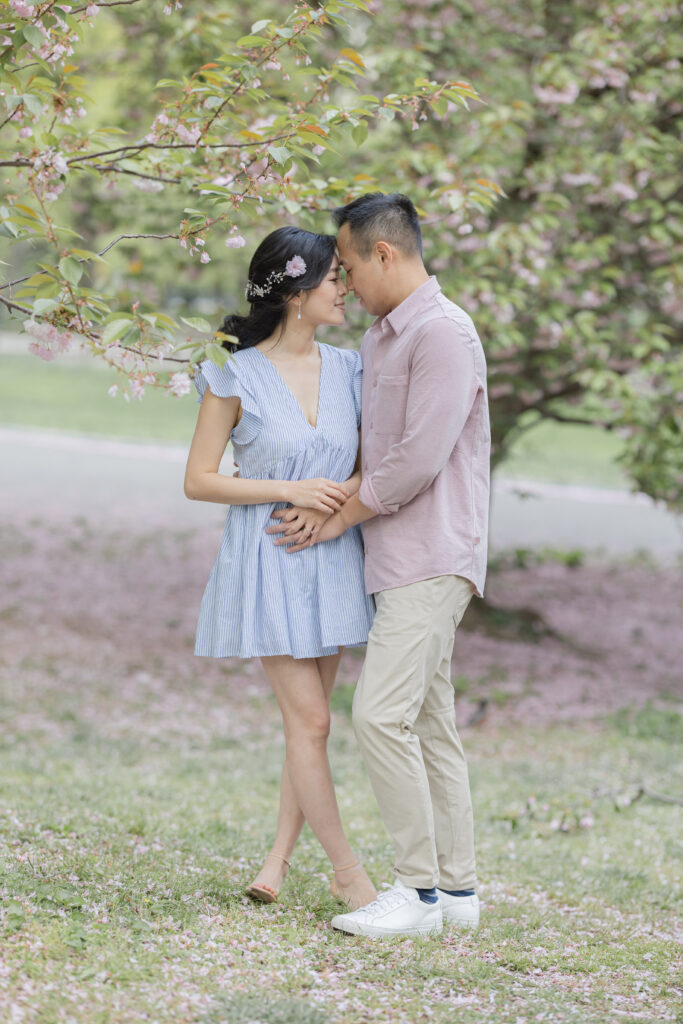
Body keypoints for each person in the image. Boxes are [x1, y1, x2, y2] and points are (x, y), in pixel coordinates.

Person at [269, 193, 490, 938]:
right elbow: (368, 451)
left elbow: (413, 465)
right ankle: (456, 893)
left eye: (350, 264)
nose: (345, 280)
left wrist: (331, 519)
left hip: (433, 552)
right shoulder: (380, 339)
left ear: (383, 255)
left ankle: (416, 893)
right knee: (429, 725)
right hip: (390, 556)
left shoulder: (443, 335)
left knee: (378, 715)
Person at [184, 226, 377, 911]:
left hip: (331, 556)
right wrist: (288, 490)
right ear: (297, 292)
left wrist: (337, 502)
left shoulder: (353, 368)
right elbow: (200, 481)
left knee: (311, 722)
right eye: (333, 280)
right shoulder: (230, 371)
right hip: (265, 559)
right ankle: (348, 875)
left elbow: (368, 464)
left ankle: (276, 859)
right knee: (313, 724)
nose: (345, 289)